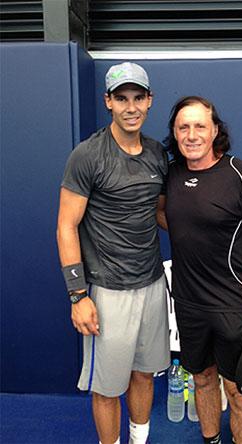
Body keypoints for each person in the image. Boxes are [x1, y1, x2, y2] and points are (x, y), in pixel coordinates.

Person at [56, 62, 170, 444]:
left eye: (138, 97)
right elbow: (66, 226)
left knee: (144, 374)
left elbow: (159, 214)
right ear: (109, 102)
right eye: (122, 98)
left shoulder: (156, 154)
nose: (131, 107)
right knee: (107, 388)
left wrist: (210, 230)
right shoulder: (87, 155)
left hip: (153, 285)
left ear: (150, 101)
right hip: (107, 291)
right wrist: (78, 296)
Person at [161, 96, 242, 444]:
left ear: (215, 131)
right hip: (189, 305)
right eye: (184, 127)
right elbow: (167, 215)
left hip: (233, 306)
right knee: (202, 379)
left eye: (200, 126)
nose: (191, 134)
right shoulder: (171, 175)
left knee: (240, 393)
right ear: (175, 133)